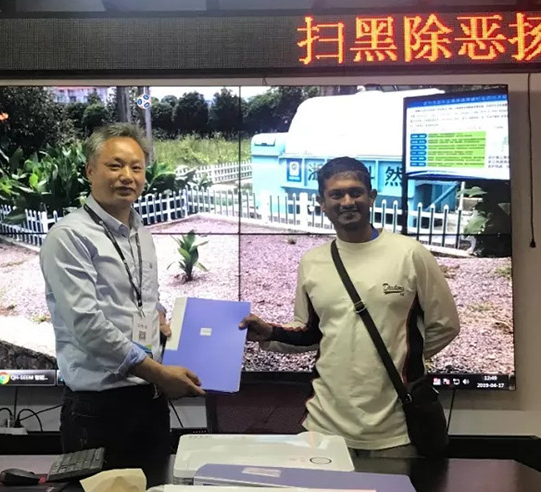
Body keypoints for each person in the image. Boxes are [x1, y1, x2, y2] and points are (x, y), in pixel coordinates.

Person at [241, 156, 460, 455]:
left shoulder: (410, 254)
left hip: (394, 430)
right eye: (336, 194)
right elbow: (310, 331)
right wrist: (269, 332)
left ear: (371, 196)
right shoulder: (312, 262)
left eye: (356, 192)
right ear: (322, 202)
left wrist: (403, 358)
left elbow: (445, 325)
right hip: (324, 426)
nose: (347, 202)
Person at [40, 123, 204, 471]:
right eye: (115, 166)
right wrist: (160, 374)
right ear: (90, 170)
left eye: (136, 167)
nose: (127, 176)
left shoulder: (139, 230)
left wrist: (157, 312)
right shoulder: (69, 236)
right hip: (97, 409)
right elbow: (88, 326)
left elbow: (139, 297)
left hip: (149, 402)